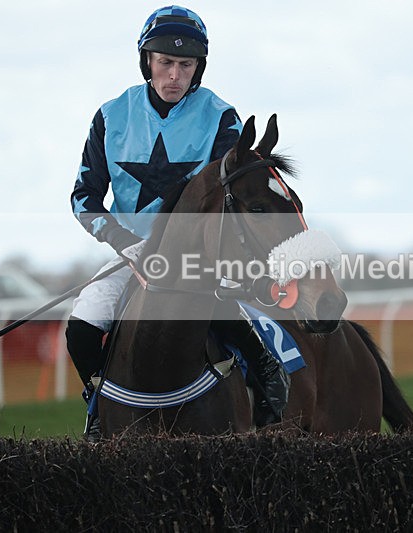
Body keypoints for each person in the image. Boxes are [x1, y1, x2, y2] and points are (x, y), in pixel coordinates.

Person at [66, 5, 288, 440]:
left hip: (196, 257)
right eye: (165, 62)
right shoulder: (111, 116)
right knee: (82, 327)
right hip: (130, 253)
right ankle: (97, 405)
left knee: (221, 310)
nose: (174, 75)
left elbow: (231, 197)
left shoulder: (221, 116)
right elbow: (83, 199)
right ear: (147, 61)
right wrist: (125, 243)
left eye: (185, 65)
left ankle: (266, 376)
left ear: (198, 68)